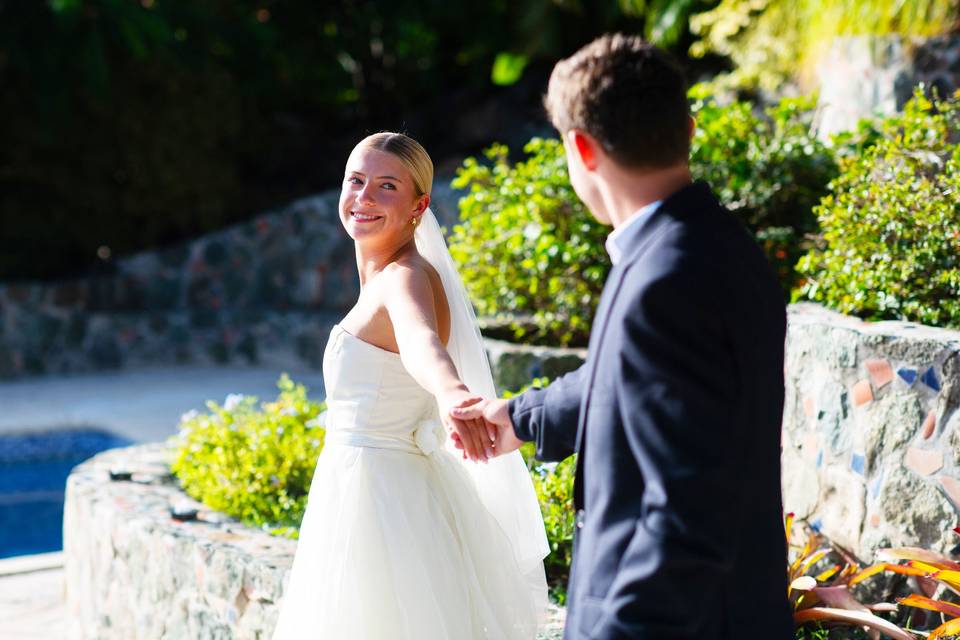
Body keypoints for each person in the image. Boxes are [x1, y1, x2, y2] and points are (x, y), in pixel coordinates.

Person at [452, 34, 794, 639]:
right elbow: (628, 375)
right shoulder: (709, 244)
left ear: (581, 149)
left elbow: (687, 513)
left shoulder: (666, 277)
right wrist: (523, 417)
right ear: (688, 130)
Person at [271, 132, 548, 640]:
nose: (364, 197)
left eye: (386, 186)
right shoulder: (388, 277)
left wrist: (451, 393)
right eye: (356, 180)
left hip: (379, 504)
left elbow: (422, 344)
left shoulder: (405, 278)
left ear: (419, 205)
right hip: (368, 490)